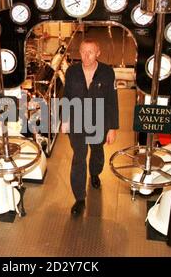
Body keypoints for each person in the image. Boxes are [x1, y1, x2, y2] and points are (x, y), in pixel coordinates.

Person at [61, 38, 119, 216]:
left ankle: (95, 173)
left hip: (99, 122)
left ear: (98, 53)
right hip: (77, 121)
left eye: (90, 52)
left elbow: (112, 101)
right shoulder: (72, 72)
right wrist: (65, 120)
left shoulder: (107, 72)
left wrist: (113, 127)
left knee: (96, 149)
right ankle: (79, 198)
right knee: (79, 157)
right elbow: (67, 96)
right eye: (83, 52)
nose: (86, 56)